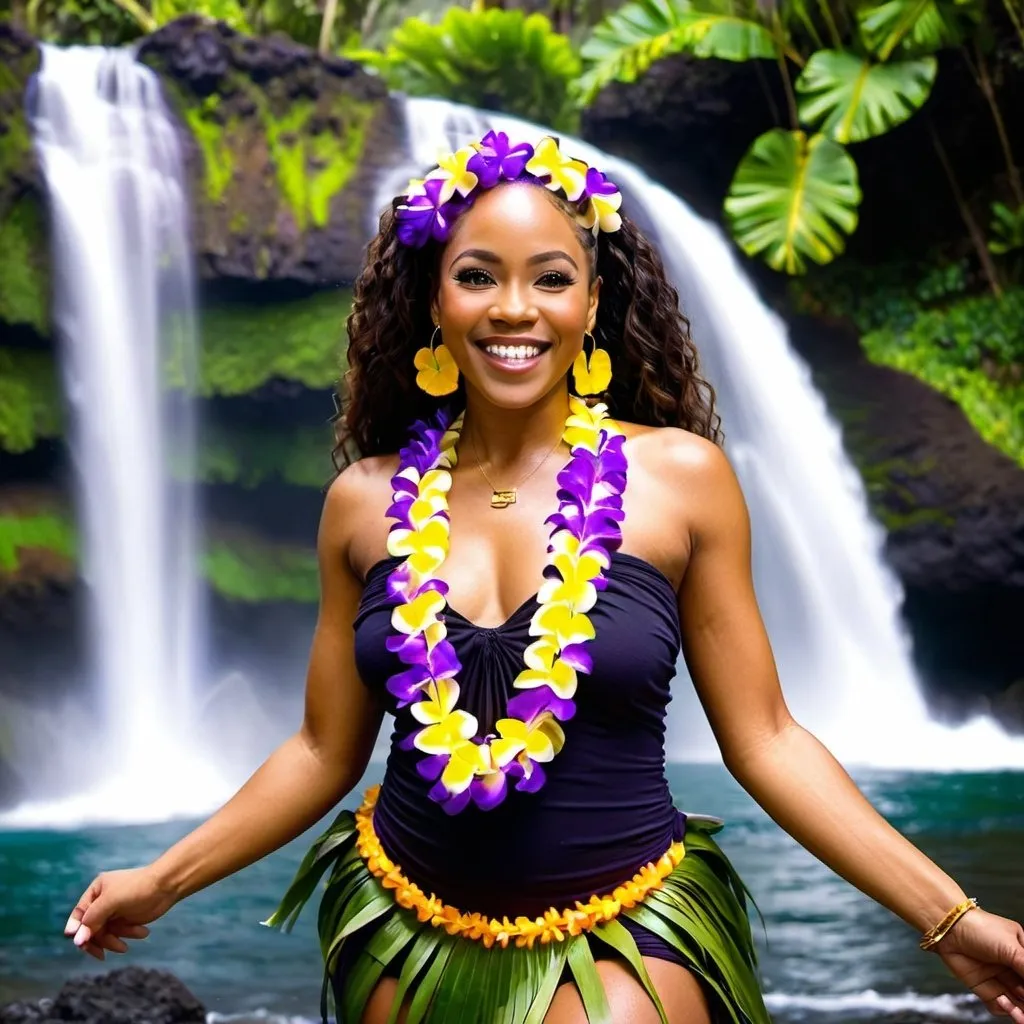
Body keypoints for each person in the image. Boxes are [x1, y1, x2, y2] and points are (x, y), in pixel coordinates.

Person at [63, 130, 1024, 1024]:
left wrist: (949, 919)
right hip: (405, 933)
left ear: (592, 304)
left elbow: (767, 739)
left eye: (550, 278)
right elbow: (322, 750)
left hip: (627, 940)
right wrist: (164, 879)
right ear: (435, 303)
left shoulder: (680, 481)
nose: (514, 309)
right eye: (477, 276)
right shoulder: (364, 501)